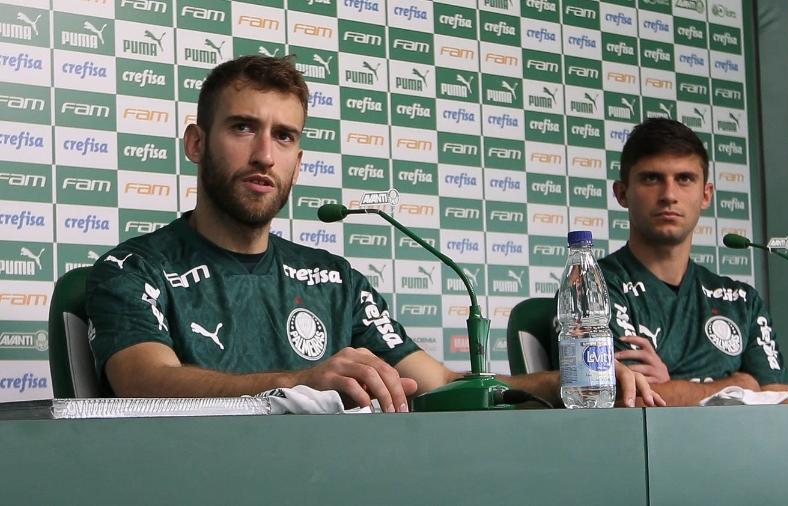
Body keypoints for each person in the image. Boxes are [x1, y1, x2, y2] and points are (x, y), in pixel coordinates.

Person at [85, 55, 662, 411]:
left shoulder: (337, 281)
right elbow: (145, 382)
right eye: (242, 128)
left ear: (299, 157)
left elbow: (439, 385)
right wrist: (299, 384)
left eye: (284, 137)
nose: (264, 154)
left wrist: (562, 381)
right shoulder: (134, 270)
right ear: (195, 142)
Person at [598, 118, 788, 406]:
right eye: (651, 178)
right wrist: (739, 384)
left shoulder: (742, 301)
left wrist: (670, 385)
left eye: (684, 179)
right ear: (622, 193)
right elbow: (625, 400)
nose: (669, 195)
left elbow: (782, 399)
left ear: (706, 194)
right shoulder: (594, 288)